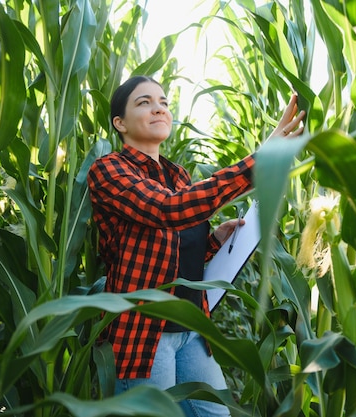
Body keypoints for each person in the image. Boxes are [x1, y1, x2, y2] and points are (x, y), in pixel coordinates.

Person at [87, 75, 305, 416]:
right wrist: (263, 156)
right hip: (143, 335)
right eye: (144, 102)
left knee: (216, 413)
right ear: (120, 123)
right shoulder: (108, 170)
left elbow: (174, 251)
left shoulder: (178, 176)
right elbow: (167, 210)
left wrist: (214, 240)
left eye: (163, 102)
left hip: (191, 330)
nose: (158, 108)